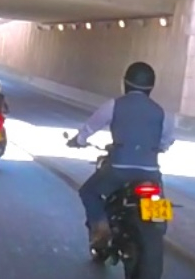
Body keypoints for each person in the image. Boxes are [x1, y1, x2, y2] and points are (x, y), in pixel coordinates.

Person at [67, 61, 175, 248]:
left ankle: (101, 227)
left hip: (119, 168)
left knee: (89, 192)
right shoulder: (163, 113)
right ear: (151, 86)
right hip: (150, 171)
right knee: (157, 196)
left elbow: (90, 127)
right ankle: (158, 224)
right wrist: (159, 148)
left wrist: (78, 140)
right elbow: (167, 140)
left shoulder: (114, 105)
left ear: (125, 82)